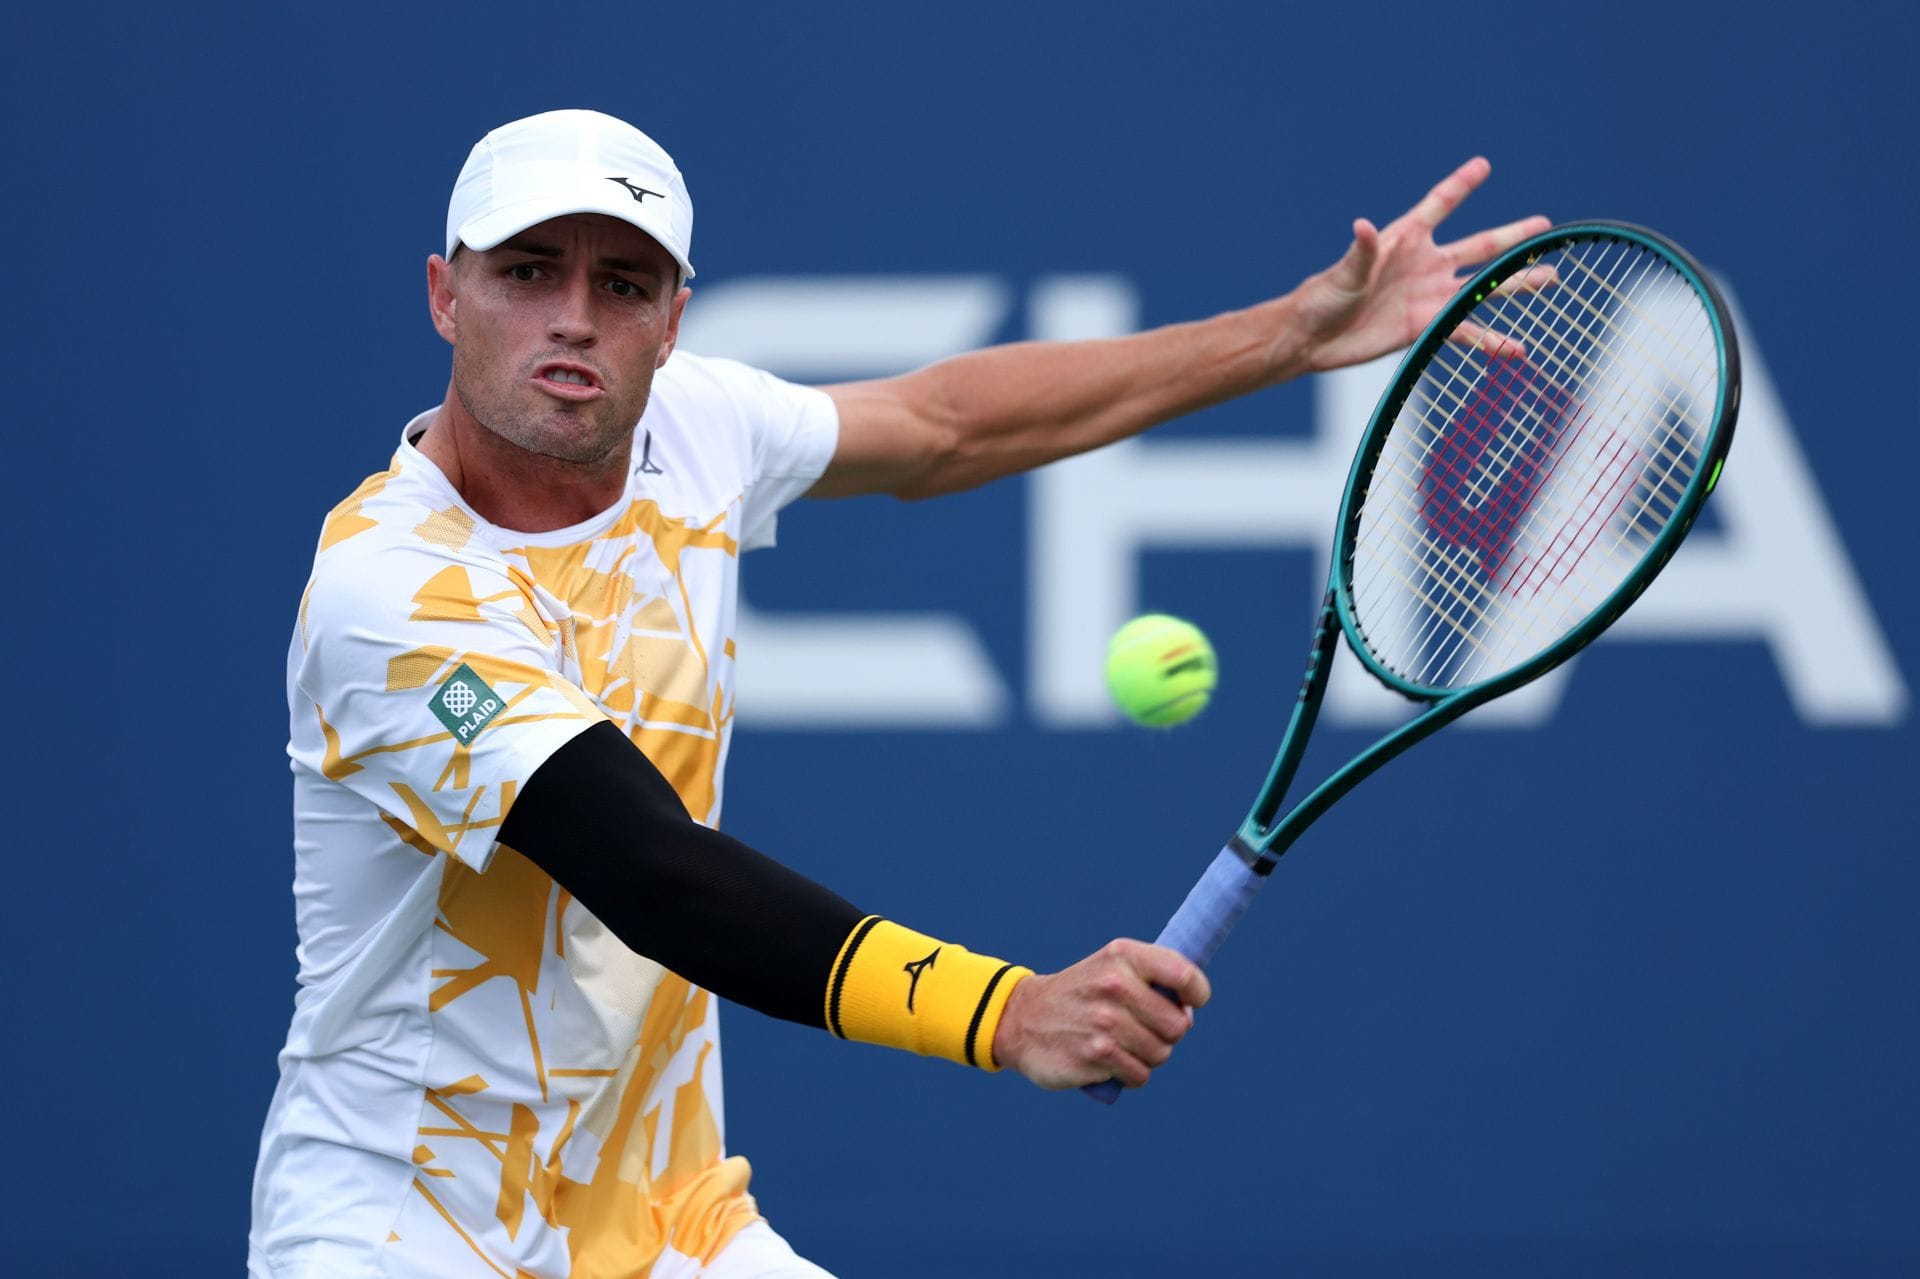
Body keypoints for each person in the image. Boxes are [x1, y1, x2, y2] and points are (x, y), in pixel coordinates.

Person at [249, 108, 1545, 1279]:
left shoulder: (691, 429)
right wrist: (1009, 1012)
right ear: (444, 294)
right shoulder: (391, 597)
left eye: (623, 282)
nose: (576, 316)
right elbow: (655, 876)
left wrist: (1292, 333)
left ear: (672, 320)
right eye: (528, 271)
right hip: (400, 1230)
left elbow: (947, 425)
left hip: (666, 1225)